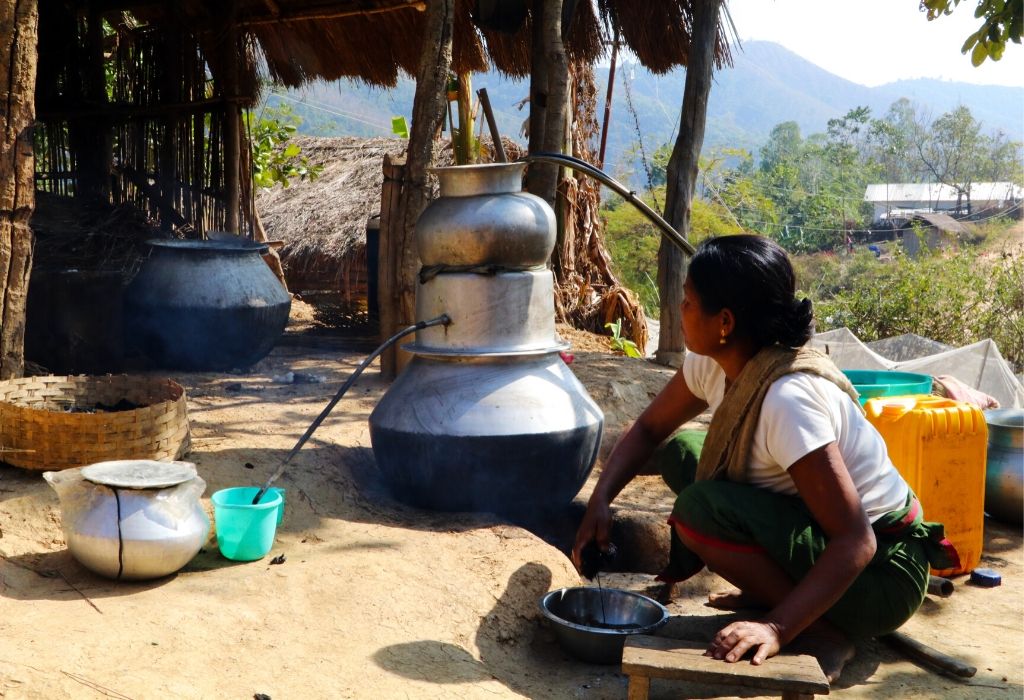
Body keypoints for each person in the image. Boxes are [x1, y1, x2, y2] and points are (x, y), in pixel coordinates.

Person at [571, 234, 957, 682]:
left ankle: (823, 632)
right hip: (831, 540)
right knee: (683, 453)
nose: (680, 311)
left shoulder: (788, 400)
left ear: (725, 322)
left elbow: (857, 540)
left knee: (698, 510)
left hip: (883, 574)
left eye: (689, 302)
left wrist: (777, 626)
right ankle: (786, 597)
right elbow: (651, 429)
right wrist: (600, 501)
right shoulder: (717, 361)